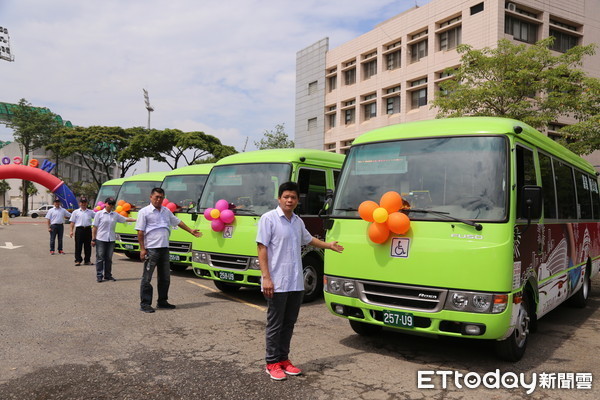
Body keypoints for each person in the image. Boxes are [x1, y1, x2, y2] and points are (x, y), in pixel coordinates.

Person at [256, 181, 344, 380]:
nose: (289, 200)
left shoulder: (297, 221)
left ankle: (283, 359)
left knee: (289, 323)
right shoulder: (268, 219)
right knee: (275, 324)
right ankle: (271, 363)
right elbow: (262, 249)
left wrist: (328, 245)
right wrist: (266, 278)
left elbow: (309, 239)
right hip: (276, 282)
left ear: (297, 201)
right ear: (279, 199)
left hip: (295, 282)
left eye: (293, 197)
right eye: (286, 197)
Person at [136, 187, 202, 313]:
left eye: (161, 197)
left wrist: (191, 231)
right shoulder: (144, 212)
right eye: (156, 197)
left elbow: (177, 222)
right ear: (151, 197)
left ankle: (162, 301)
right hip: (151, 249)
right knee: (147, 278)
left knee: (165, 277)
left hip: (164, 248)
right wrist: (142, 249)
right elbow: (140, 232)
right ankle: (145, 303)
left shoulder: (166, 211)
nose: (159, 200)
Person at [92, 197, 135, 283]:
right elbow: (95, 227)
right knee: (100, 257)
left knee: (109, 258)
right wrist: (93, 239)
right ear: (105, 203)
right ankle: (99, 275)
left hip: (111, 239)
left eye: (112, 204)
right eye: (109, 203)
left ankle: (108, 275)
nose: (110, 205)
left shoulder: (115, 214)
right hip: (101, 238)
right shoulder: (99, 214)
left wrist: (137, 219)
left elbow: (125, 219)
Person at [69, 197, 95, 266]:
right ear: (79, 203)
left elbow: (97, 218)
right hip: (79, 230)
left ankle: (87, 260)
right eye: (82, 202)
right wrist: (71, 231)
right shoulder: (76, 212)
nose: (83, 204)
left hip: (88, 229)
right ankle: (78, 260)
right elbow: (72, 222)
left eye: (85, 202)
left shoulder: (91, 212)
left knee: (88, 246)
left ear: (86, 203)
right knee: (78, 246)